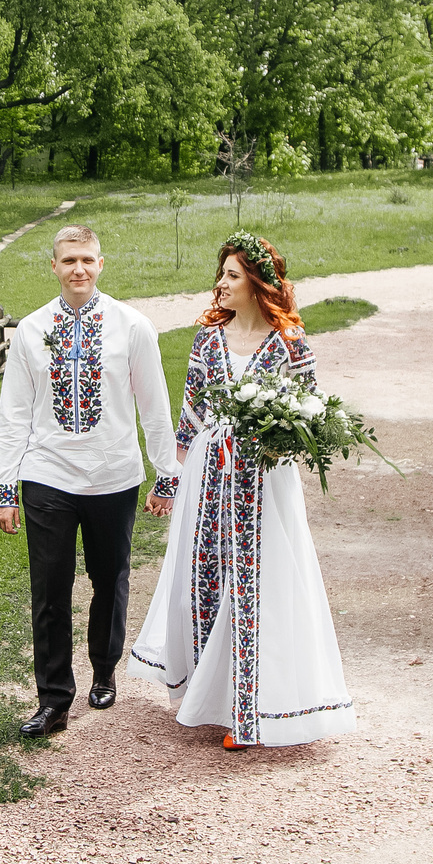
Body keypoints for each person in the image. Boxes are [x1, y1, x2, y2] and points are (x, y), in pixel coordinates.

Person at [129, 233, 355, 750]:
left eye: (232, 275)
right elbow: (189, 419)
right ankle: (209, 696)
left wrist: (275, 438)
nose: (221, 284)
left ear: (257, 282)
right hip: (209, 477)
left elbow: (310, 416)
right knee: (205, 578)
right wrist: (169, 483)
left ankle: (251, 710)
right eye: (222, 274)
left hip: (265, 482)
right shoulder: (207, 341)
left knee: (257, 583)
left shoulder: (291, 344)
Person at [0, 225, 180, 737]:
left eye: (87, 259)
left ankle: (103, 669)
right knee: (49, 589)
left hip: (113, 476)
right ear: (53, 266)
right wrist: (6, 486)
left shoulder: (132, 327)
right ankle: (53, 700)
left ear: (100, 264)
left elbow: (154, 407)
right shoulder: (32, 330)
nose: (79, 268)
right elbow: (13, 414)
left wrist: (166, 474)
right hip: (47, 474)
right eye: (69, 260)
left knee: (109, 578)